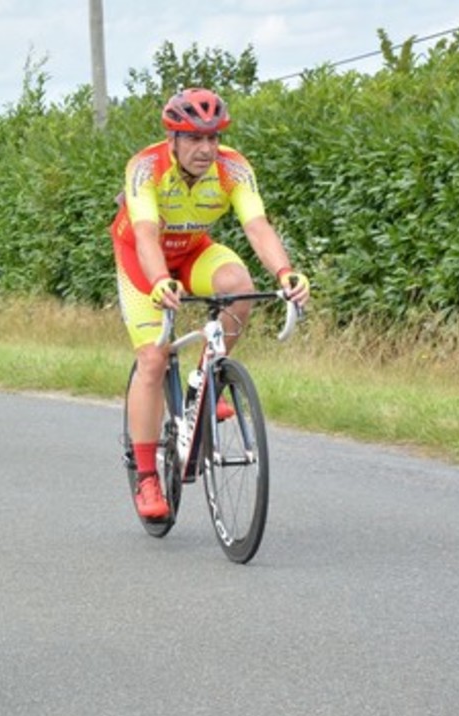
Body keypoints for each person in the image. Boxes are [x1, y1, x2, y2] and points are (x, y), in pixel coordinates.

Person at [112, 88, 311, 519]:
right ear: (172, 139)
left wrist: (285, 273)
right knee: (153, 359)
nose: (206, 149)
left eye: (213, 138)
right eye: (194, 138)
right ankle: (146, 476)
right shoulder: (144, 168)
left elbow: (257, 226)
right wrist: (159, 281)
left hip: (192, 251)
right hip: (142, 259)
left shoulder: (233, 168)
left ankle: (202, 385)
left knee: (238, 286)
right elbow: (145, 234)